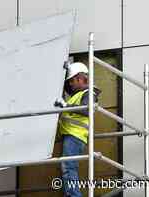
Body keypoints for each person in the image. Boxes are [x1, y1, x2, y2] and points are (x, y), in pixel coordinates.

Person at [54, 62, 101, 197]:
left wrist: (65, 105)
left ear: (80, 79)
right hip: (72, 135)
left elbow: (87, 109)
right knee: (67, 166)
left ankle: (73, 195)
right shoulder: (78, 94)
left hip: (75, 136)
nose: (70, 84)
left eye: (72, 81)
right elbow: (67, 88)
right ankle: (70, 194)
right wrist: (68, 69)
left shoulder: (89, 93)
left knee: (68, 167)